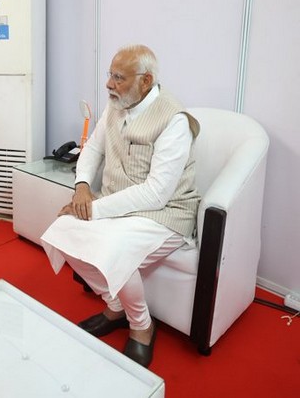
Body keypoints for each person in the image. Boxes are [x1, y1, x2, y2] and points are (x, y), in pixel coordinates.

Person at [41, 44, 200, 367]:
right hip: (116, 204)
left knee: (112, 248)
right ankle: (115, 305)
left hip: (165, 213)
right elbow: (93, 149)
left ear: (146, 81)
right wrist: (82, 187)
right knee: (61, 230)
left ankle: (142, 326)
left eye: (118, 78)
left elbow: (156, 194)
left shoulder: (175, 120)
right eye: (109, 76)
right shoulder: (116, 105)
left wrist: (94, 210)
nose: (109, 85)